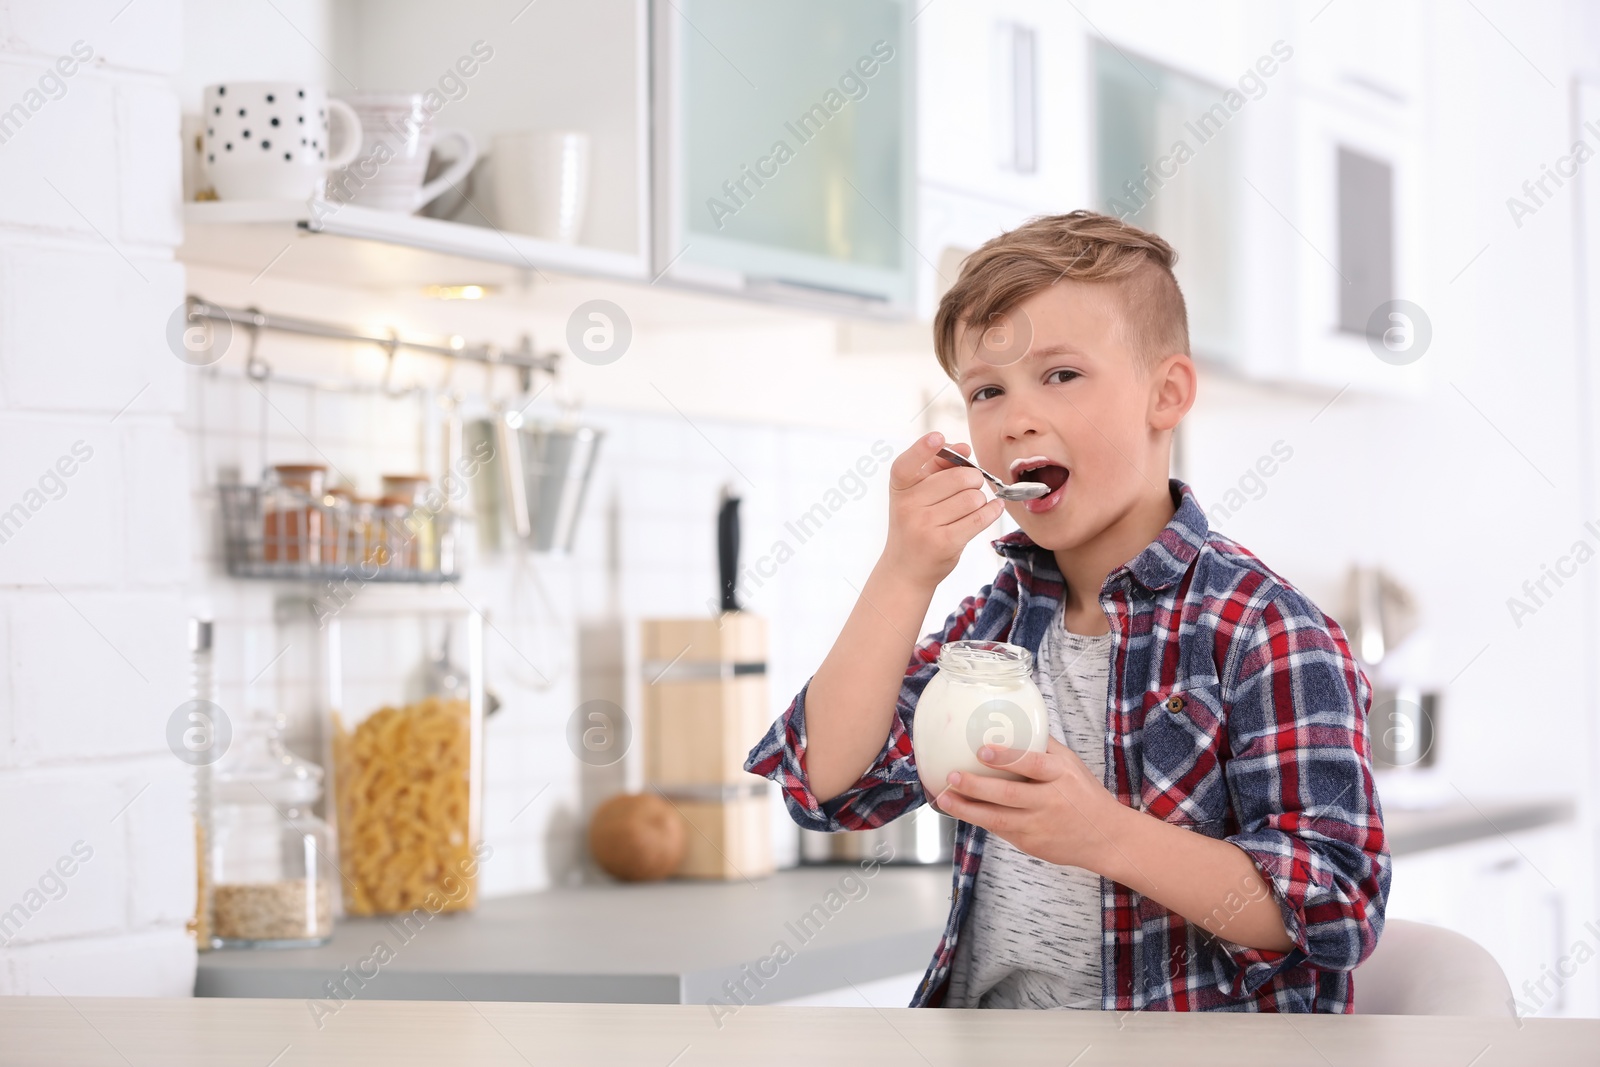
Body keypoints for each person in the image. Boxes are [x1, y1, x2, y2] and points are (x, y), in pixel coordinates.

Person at [745, 210, 1390, 1012]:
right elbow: (827, 785)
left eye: (1060, 375)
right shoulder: (996, 625)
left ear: (1167, 394)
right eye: (986, 390)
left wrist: (1105, 835)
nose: (1015, 416)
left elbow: (1335, 903)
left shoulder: (1266, 632)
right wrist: (904, 573)